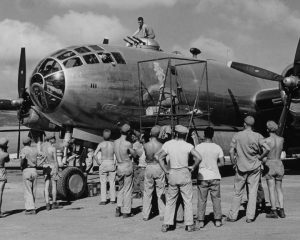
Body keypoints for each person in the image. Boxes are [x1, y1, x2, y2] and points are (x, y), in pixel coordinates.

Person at [156, 125, 202, 232]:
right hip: (184, 172)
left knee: (171, 200)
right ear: (184, 135)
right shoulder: (188, 145)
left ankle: (166, 224)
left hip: (173, 173)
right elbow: (199, 157)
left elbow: (159, 157)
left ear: (175, 133)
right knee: (187, 200)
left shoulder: (168, 144)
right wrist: (193, 167)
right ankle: (189, 225)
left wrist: (165, 170)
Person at [227, 116, 270, 223]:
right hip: (254, 167)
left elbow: (231, 151)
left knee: (237, 193)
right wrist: (260, 157)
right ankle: (250, 217)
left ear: (245, 124)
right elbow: (267, 149)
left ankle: (233, 216)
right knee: (252, 192)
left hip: (241, 167)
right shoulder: (258, 136)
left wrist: (233, 163)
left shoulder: (237, 135)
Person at [195, 127, 225, 228]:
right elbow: (222, 163)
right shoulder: (217, 147)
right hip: (215, 176)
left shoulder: (198, 147)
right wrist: (214, 165)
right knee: (216, 199)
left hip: (202, 176)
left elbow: (195, 161)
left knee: (201, 199)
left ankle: (201, 221)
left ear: (204, 135)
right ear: (213, 135)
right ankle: (217, 220)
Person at [142, 125, 165, 221]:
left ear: (151, 134)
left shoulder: (145, 145)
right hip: (158, 166)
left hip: (149, 167)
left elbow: (145, 157)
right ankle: (162, 214)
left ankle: (145, 215)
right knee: (160, 191)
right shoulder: (162, 145)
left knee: (147, 192)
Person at [263, 121, 286, 218]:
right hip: (279, 163)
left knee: (271, 189)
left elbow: (265, 155)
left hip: (270, 164)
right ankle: (281, 210)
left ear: (268, 129)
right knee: (279, 189)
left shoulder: (266, 140)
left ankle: (273, 210)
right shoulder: (281, 139)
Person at [114, 124, 136, 218]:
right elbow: (134, 155)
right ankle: (126, 211)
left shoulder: (114, 142)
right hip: (127, 166)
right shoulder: (128, 143)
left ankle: (118, 208)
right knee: (127, 190)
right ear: (128, 133)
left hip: (119, 166)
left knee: (120, 188)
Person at [94, 129, 116, 205]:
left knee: (103, 182)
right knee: (112, 182)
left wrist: (98, 162)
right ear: (110, 136)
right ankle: (113, 199)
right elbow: (116, 154)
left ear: (103, 136)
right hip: (111, 162)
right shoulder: (113, 144)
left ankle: (103, 200)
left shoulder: (101, 144)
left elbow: (94, 154)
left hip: (103, 163)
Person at [41, 134, 62, 210]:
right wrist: (58, 169)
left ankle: (47, 204)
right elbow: (56, 161)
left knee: (46, 186)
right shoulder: (53, 148)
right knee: (54, 185)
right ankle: (54, 203)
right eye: (53, 138)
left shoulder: (43, 148)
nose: (55, 139)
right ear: (50, 140)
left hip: (45, 167)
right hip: (53, 166)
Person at [20, 137, 39, 215]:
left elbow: (23, 159)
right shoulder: (34, 149)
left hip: (27, 170)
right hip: (34, 170)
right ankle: (33, 206)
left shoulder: (23, 150)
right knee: (33, 189)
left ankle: (30, 208)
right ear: (30, 142)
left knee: (28, 190)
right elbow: (42, 155)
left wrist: (21, 166)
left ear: (23, 143)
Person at [132, 131, 146, 198]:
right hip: (145, 165)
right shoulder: (142, 145)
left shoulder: (137, 145)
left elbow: (135, 155)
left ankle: (138, 192)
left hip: (139, 164)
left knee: (137, 179)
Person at [0, 138, 9, 217]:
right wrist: (5, 150)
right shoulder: (5, 154)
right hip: (1, 172)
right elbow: (7, 160)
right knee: (0, 193)